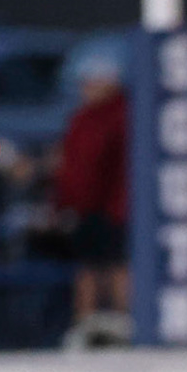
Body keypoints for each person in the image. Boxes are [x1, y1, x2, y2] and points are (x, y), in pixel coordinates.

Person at [54, 55, 131, 348]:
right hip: (87, 206)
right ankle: (85, 324)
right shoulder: (82, 119)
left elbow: (99, 165)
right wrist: (66, 202)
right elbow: (72, 167)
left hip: (114, 206)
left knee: (116, 266)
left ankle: (125, 322)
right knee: (88, 267)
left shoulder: (121, 116)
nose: (86, 89)